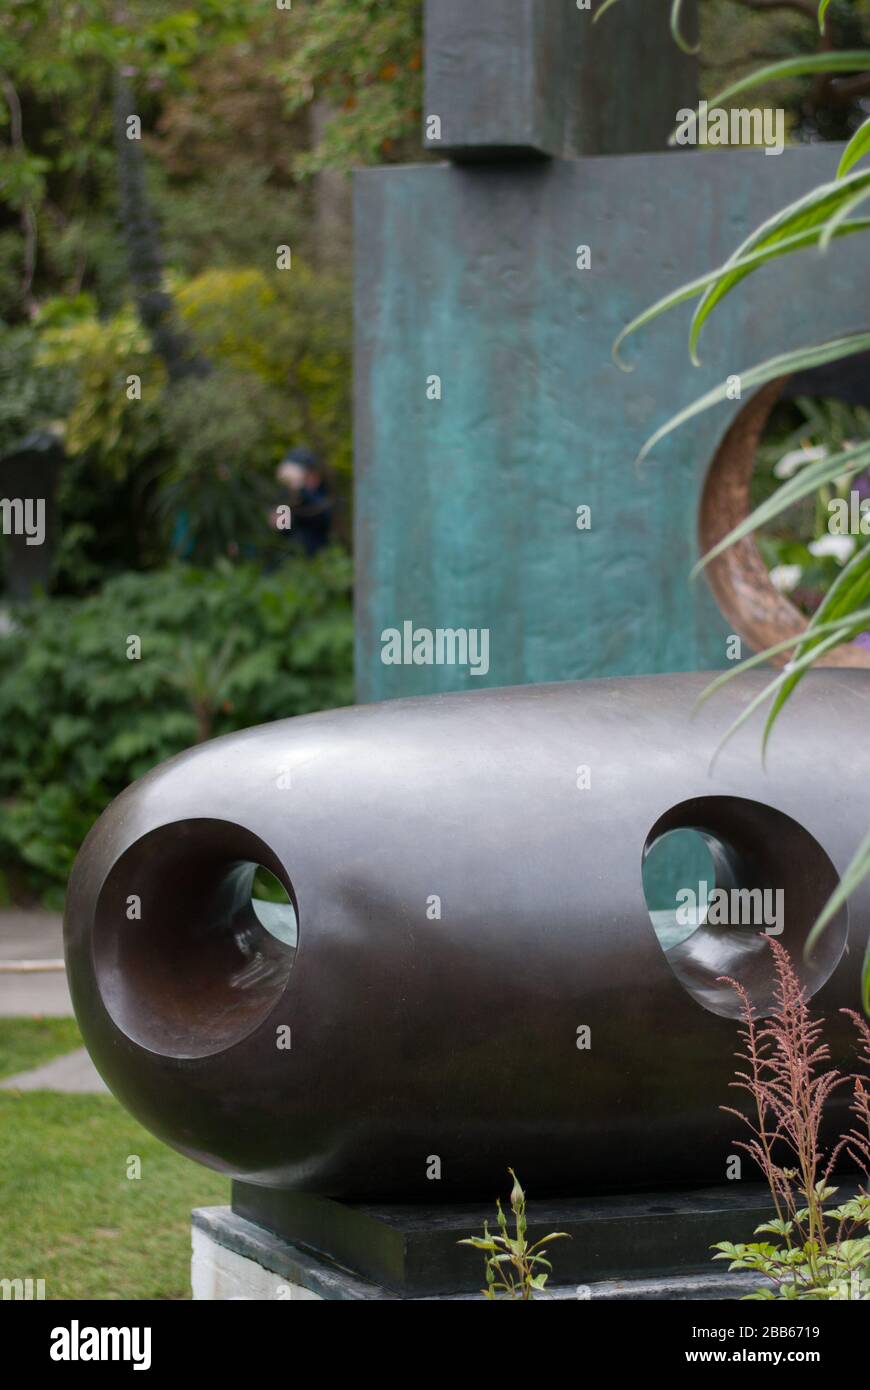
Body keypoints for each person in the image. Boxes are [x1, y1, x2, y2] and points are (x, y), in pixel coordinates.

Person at [271, 447, 334, 556]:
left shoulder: (322, 494)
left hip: (319, 559)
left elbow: (324, 519)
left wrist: (301, 489)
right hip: (292, 559)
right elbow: (283, 531)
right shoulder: (287, 495)